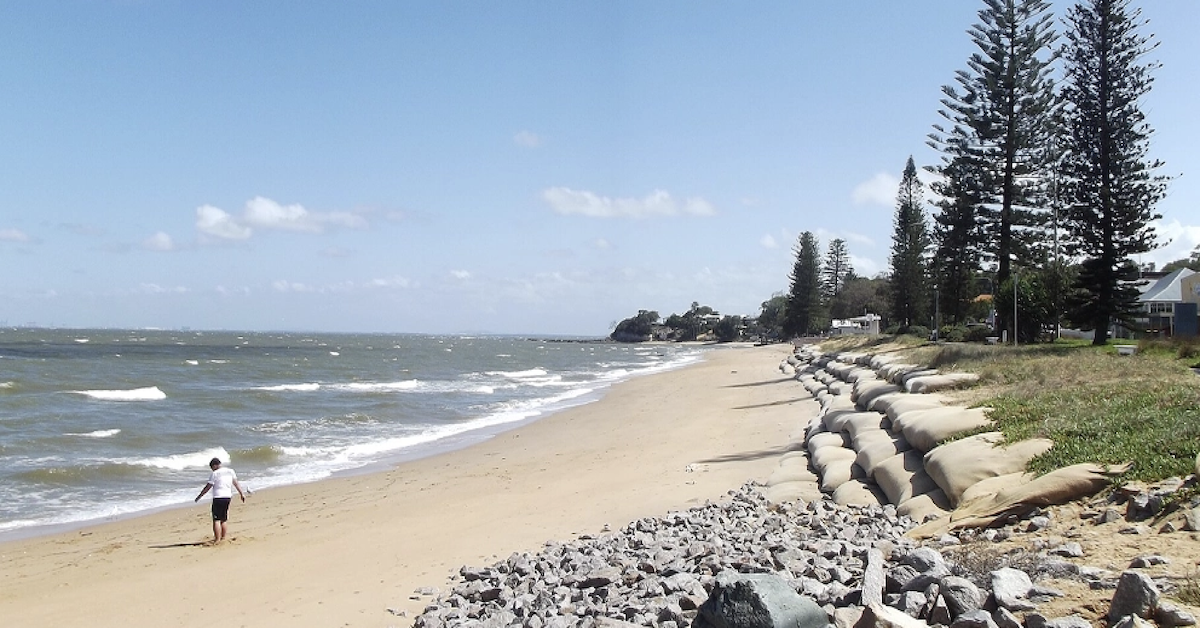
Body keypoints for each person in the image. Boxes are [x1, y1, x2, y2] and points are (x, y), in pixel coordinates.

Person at [194, 457, 246, 544]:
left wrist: (200, 496)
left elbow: (208, 487)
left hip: (218, 497)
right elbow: (236, 483)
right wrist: (242, 493)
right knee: (224, 519)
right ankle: (223, 537)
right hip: (228, 497)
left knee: (216, 519)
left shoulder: (215, 473)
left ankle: (217, 539)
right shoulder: (230, 471)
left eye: (212, 468)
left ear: (214, 466)